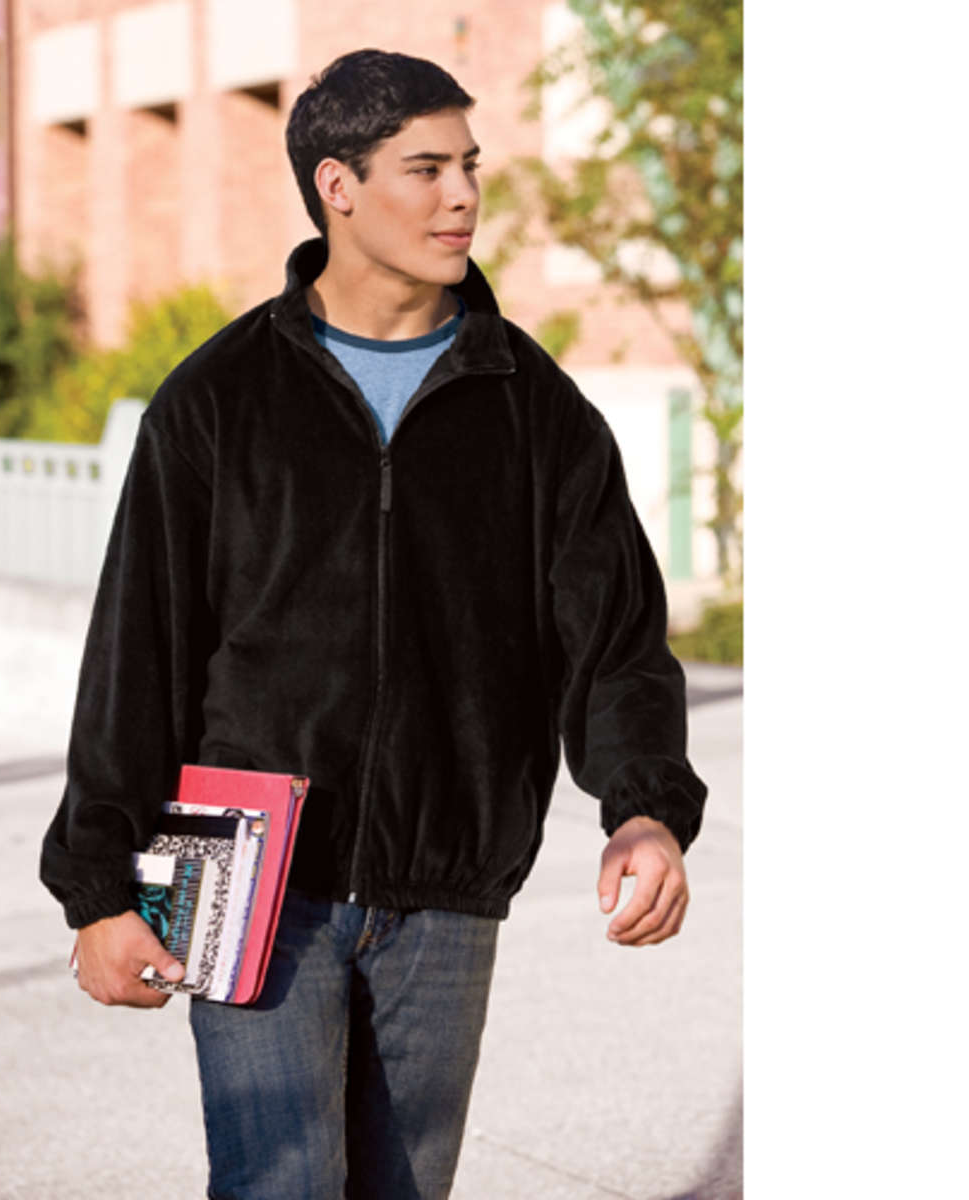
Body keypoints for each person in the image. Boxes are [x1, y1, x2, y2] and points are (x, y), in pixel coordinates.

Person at [40, 47, 707, 1200]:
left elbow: (616, 641)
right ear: (338, 186)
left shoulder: (536, 411)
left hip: (446, 886)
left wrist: (644, 807)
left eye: (470, 166)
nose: (464, 197)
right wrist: (100, 887)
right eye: (426, 168)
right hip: (245, 870)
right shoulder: (218, 402)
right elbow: (136, 658)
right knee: (279, 1186)